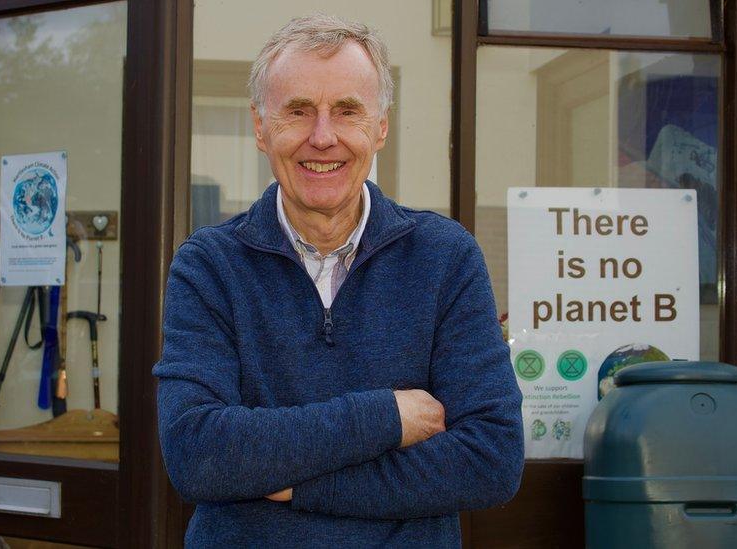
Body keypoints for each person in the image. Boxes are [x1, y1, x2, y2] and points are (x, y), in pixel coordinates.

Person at [153, 14, 524, 548]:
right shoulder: (209, 265)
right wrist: (388, 416)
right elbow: (198, 454)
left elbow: (491, 458)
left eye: (347, 111)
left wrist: (291, 484)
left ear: (381, 126)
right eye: (298, 112)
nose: (322, 138)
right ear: (261, 128)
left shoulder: (445, 258)